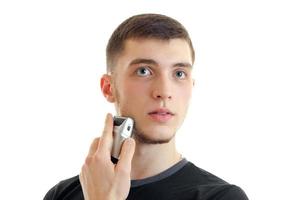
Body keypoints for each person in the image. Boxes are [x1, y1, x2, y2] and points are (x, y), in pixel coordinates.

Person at [44, 13, 248, 200]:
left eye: (179, 73)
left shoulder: (221, 197)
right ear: (108, 88)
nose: (164, 91)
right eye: (144, 71)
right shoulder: (62, 195)